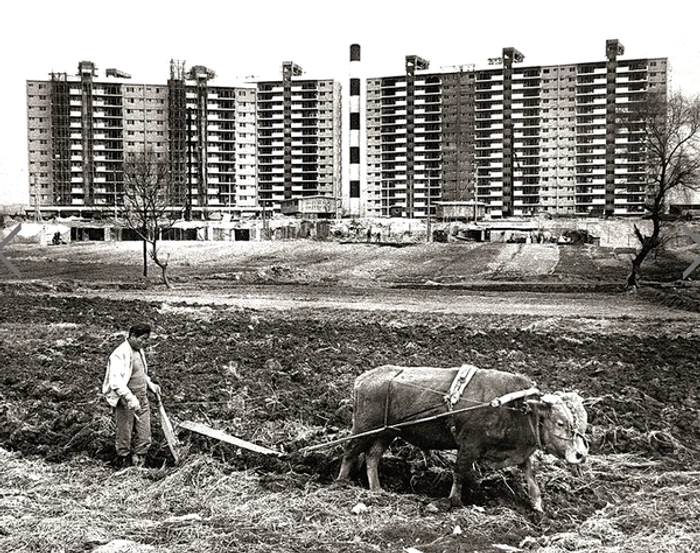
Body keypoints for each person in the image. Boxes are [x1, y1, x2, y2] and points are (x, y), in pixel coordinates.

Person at [102, 323, 161, 468]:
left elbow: (139, 372)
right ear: (132, 336)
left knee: (145, 434)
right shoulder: (119, 354)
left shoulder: (138, 351)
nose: (145, 343)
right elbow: (115, 382)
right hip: (126, 401)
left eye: (147, 339)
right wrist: (130, 398)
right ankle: (124, 462)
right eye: (143, 339)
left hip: (142, 398)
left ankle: (140, 461)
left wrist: (149, 383)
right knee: (125, 434)